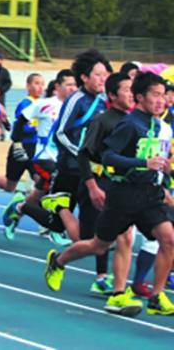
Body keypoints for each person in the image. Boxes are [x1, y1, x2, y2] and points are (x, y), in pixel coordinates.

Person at [44, 72, 174, 317]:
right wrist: (142, 164)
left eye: (163, 95)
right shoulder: (127, 124)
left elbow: (157, 160)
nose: (161, 100)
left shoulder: (160, 126)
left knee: (168, 238)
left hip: (149, 194)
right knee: (99, 244)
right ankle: (59, 261)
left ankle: (154, 297)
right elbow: (108, 157)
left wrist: (165, 171)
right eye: (156, 95)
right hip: (123, 194)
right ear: (140, 97)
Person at [75, 72, 137, 311]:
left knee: (123, 237)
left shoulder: (134, 121)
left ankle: (118, 288)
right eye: (127, 90)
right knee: (97, 239)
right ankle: (99, 276)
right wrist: (92, 186)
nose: (132, 94)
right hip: (99, 181)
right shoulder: (102, 121)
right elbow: (84, 154)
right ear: (112, 95)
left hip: (122, 185)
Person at [2, 69, 78, 240]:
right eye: (69, 84)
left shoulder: (76, 107)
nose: (73, 88)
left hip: (65, 159)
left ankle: (19, 207)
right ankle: (55, 229)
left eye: (75, 85)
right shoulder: (45, 104)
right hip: (45, 157)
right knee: (54, 190)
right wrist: (17, 142)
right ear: (58, 86)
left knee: (40, 192)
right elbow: (21, 120)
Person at [47, 49, 110, 243]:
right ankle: (22, 207)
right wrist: (82, 155)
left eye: (105, 75)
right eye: (98, 75)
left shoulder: (103, 101)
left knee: (89, 229)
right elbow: (60, 133)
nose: (103, 79)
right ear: (84, 77)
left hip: (90, 172)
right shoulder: (76, 100)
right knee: (57, 224)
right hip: (70, 168)